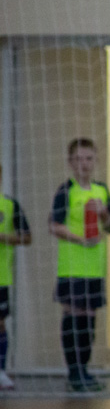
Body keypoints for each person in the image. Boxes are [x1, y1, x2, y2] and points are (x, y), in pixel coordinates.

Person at [48, 138, 110, 392]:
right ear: (70, 162)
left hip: (94, 268)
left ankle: (84, 370)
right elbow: (54, 226)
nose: (84, 164)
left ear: (95, 160)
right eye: (78, 159)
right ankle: (74, 371)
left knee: (89, 318)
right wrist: (80, 239)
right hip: (71, 266)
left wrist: (104, 214)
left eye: (88, 158)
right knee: (73, 316)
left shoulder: (102, 190)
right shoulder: (65, 190)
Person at [0, 163, 32, 390]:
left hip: (1, 277)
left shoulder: (10, 205)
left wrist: (5, 237)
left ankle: (1, 370)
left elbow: (27, 237)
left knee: (0, 324)